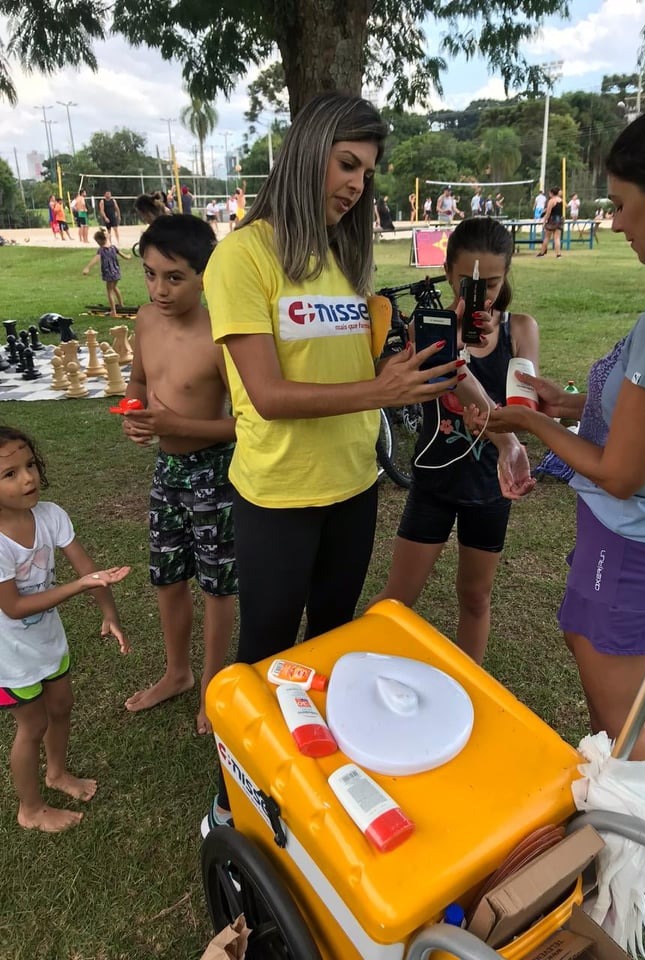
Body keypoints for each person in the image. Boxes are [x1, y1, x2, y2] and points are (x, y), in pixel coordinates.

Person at [203, 92, 464, 832]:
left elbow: (355, 363)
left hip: (354, 485)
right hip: (279, 496)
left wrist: (400, 362)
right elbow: (269, 394)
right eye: (345, 163)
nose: (355, 184)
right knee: (264, 653)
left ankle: (315, 782)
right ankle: (233, 803)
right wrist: (377, 388)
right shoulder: (242, 257)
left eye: (366, 172)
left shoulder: (348, 258)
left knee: (331, 642)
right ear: (305, 153)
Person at [469, 100, 645, 760]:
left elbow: (622, 472)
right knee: (612, 708)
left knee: (622, 738)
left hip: (633, 545)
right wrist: (568, 404)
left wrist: (524, 420)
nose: (614, 222)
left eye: (618, 203)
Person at [370, 217, 537, 663]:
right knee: (395, 602)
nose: (480, 293)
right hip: (435, 483)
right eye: (468, 282)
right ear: (446, 273)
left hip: (488, 488)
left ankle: (469, 684)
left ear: (506, 276)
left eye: (492, 282)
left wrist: (510, 437)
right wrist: (453, 339)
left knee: (475, 598)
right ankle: (363, 674)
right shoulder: (427, 328)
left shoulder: (521, 329)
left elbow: (523, 410)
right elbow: (441, 375)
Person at [119, 215, 237, 736]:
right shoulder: (145, 319)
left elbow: (247, 423)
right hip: (166, 470)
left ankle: (212, 684)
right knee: (167, 578)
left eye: (174, 277)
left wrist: (177, 423)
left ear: (204, 275)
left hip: (213, 471)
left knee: (216, 587)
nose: (159, 289)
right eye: (149, 274)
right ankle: (177, 673)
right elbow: (139, 379)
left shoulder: (224, 334)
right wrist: (135, 412)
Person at [0, 426, 129, 832]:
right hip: (10, 656)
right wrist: (77, 587)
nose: (29, 478)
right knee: (32, 725)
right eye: (10, 473)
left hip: (48, 642)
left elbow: (88, 569)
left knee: (61, 706)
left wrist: (109, 613)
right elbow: (15, 607)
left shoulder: (51, 515)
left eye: (31, 465)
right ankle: (31, 809)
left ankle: (56, 774)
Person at [82, 229, 132, 316]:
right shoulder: (113, 247)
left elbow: (95, 259)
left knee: (109, 291)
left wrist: (87, 268)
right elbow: (123, 256)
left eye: (97, 241)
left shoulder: (101, 250)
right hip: (116, 272)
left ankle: (114, 311)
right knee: (115, 287)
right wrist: (128, 257)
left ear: (100, 240)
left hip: (109, 273)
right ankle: (121, 305)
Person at [537, 187, 564, 257]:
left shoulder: (551, 201)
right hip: (559, 219)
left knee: (547, 237)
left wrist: (544, 221)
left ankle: (542, 252)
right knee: (557, 238)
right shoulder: (561, 200)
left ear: (552, 193)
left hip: (552, 220)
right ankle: (558, 254)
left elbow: (548, 213)